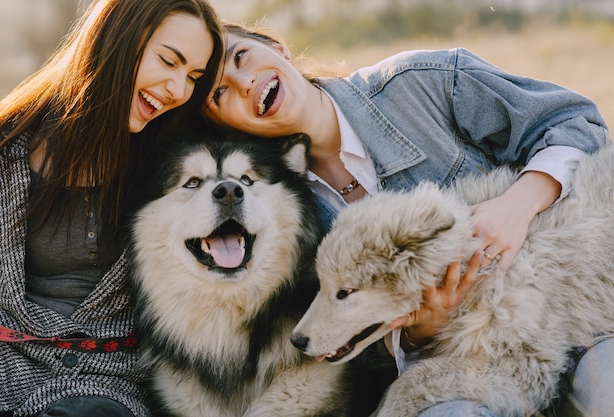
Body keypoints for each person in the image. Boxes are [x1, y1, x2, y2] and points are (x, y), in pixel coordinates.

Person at [201, 22, 612, 416]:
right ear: (225, 126)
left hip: (578, 302)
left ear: (277, 48)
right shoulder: (277, 209)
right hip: (468, 362)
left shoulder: (420, 82)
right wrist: (420, 331)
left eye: (241, 57)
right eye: (220, 94)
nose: (244, 83)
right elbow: (349, 349)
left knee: (605, 384)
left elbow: (576, 122)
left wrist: (518, 205)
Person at [0, 0, 222, 416]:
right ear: (115, 39)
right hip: (1, 365)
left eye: (192, 77)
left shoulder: (178, 165)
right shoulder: (0, 152)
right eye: (169, 61)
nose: (178, 89)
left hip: (107, 380)